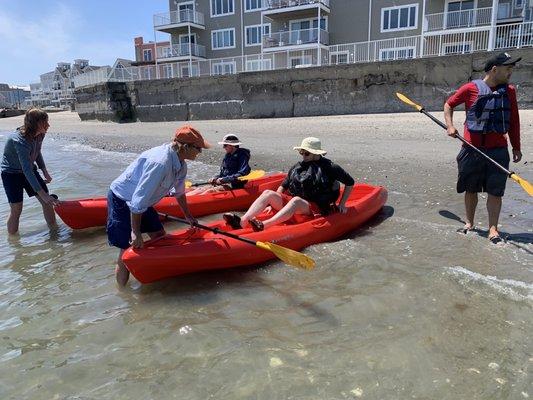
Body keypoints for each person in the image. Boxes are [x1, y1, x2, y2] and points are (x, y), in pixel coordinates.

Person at [107, 125, 210, 286]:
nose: (200, 152)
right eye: (198, 148)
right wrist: (136, 232)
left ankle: (160, 273)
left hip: (142, 202)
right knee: (126, 248)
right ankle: (123, 295)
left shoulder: (181, 164)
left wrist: (188, 216)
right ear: (186, 147)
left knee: (160, 236)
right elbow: (137, 201)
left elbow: (180, 192)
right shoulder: (160, 163)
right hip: (122, 198)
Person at [444, 52, 522, 244]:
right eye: (508, 68)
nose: (511, 71)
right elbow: (449, 104)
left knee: (495, 191)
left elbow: (514, 121)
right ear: (495, 70)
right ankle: (469, 223)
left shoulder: (509, 91)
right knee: (471, 189)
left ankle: (493, 229)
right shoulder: (470, 88)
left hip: (498, 150)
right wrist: (450, 126)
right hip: (471, 149)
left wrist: (516, 147)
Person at [223, 137, 354, 231]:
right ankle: (242, 222)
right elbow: (283, 185)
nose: (302, 155)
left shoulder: (331, 167)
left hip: (316, 206)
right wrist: (273, 203)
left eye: (306, 153)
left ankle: (264, 225)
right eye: (301, 152)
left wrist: (342, 204)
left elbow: (350, 182)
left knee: (296, 200)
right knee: (268, 193)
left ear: (315, 153)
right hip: (296, 203)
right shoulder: (298, 166)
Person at [1, 108, 59, 234]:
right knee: (17, 209)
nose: (48, 125)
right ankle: (14, 243)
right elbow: (26, 170)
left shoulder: (40, 134)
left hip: (28, 170)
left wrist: (44, 171)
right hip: (11, 174)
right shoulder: (19, 141)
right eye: (45, 122)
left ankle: (55, 233)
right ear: (36, 124)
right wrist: (43, 194)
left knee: (47, 203)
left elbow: (37, 152)